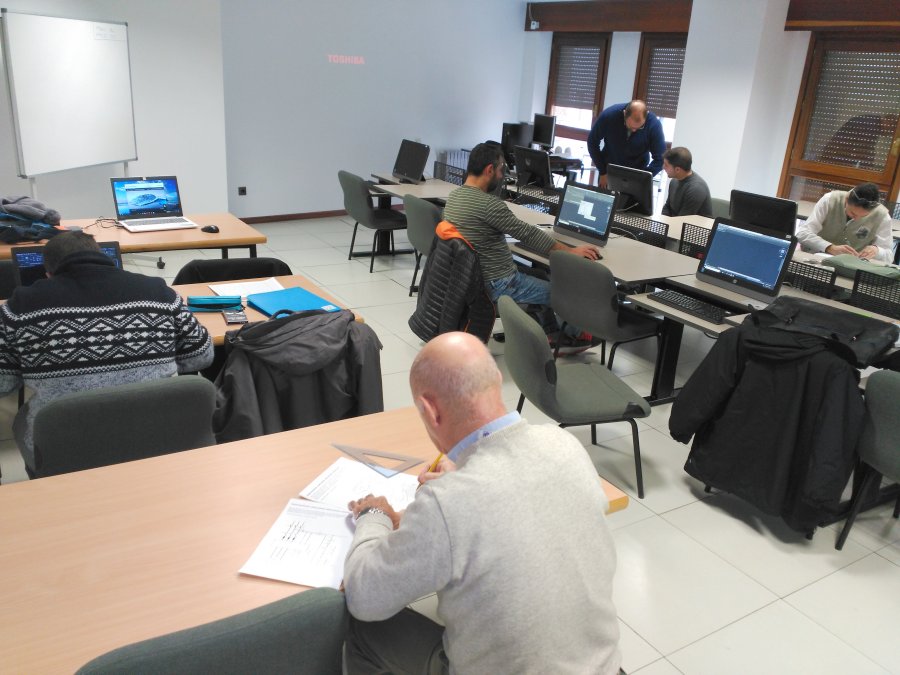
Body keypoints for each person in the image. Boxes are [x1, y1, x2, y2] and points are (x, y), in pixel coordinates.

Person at [343, 331, 621, 675]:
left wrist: (373, 515)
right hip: (604, 666)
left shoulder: (446, 503)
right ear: (496, 381)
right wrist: (462, 475)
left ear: (430, 410)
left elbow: (363, 597)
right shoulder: (564, 444)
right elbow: (512, 496)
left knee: (360, 629)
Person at [0, 231, 214, 475]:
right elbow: (202, 356)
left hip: (66, 449)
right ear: (104, 257)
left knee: (25, 418)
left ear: (48, 274)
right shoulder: (159, 292)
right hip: (161, 437)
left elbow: (4, 383)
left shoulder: (19, 307)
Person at [442, 143, 599, 341]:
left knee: (540, 274)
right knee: (559, 293)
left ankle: (550, 331)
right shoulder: (489, 205)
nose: (502, 175)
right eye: (501, 169)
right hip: (498, 282)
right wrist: (570, 251)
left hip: (471, 277)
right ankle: (579, 336)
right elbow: (528, 234)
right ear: (489, 170)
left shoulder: (454, 196)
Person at [795, 182, 894, 262]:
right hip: (814, 259)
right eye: (853, 213)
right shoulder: (830, 200)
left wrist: (877, 250)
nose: (857, 219)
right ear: (846, 199)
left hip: (850, 267)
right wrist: (829, 247)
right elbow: (803, 233)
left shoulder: (882, 216)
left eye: (863, 216)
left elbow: (889, 256)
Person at [587, 100, 666, 189]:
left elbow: (661, 158)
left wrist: (643, 178)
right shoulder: (609, 116)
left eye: (640, 127)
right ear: (624, 114)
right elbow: (592, 142)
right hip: (609, 171)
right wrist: (602, 171)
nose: (634, 130)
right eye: (631, 127)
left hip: (637, 173)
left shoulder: (653, 125)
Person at [661, 146, 713, 217]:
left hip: (690, 223)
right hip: (676, 221)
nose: (663, 167)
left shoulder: (696, 188)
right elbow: (667, 207)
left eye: (666, 165)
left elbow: (683, 219)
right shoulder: (674, 181)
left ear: (677, 170)